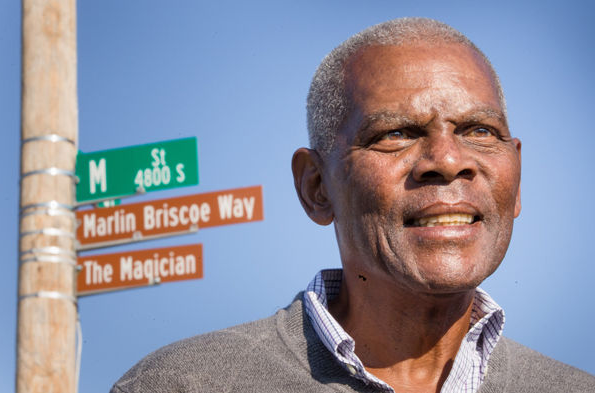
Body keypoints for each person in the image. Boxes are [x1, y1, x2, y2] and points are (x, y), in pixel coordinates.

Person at [111, 18, 595, 393]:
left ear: (517, 176)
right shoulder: (186, 384)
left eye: (479, 131)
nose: (448, 160)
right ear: (317, 187)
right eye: (396, 133)